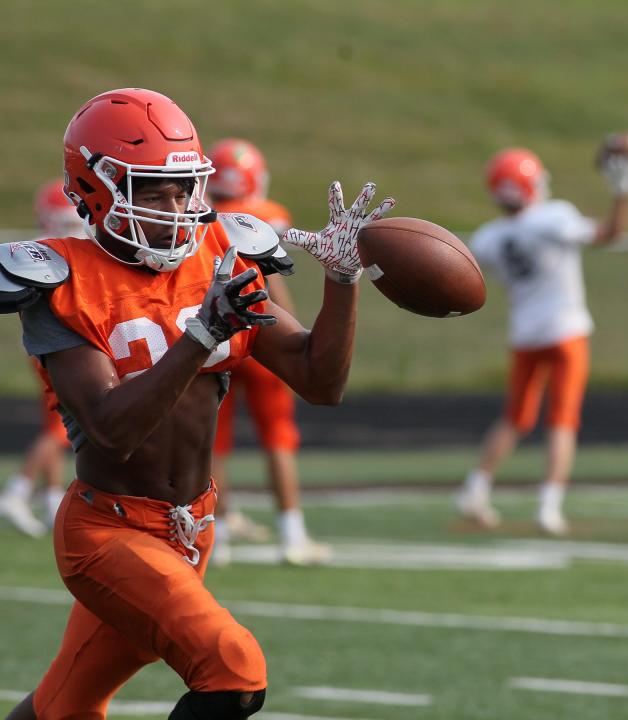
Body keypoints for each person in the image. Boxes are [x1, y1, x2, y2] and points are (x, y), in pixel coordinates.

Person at [3, 87, 393, 720]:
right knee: (233, 671)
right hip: (107, 532)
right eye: (153, 190)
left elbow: (320, 382)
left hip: (192, 526)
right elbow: (110, 430)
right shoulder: (60, 279)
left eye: (185, 188)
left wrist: (342, 282)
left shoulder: (219, 252)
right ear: (92, 188)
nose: (176, 207)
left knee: (66, 705)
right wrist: (202, 335)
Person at [456, 136, 628, 535]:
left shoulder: (487, 238)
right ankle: (549, 504)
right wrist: (623, 192)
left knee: (515, 418)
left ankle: (476, 487)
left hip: (524, 333)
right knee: (562, 421)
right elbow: (610, 233)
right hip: (564, 331)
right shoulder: (553, 217)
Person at [205, 137, 330, 566]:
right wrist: (295, 336)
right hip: (259, 336)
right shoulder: (265, 217)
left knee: (213, 442)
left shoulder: (197, 217)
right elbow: (273, 287)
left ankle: (214, 537)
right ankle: (291, 534)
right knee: (277, 438)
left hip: (215, 337)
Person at [0, 181, 82, 537]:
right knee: (63, 424)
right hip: (53, 343)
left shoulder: (38, 254)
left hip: (42, 341)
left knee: (57, 417)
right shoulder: (55, 256)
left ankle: (52, 499)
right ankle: (18, 490)